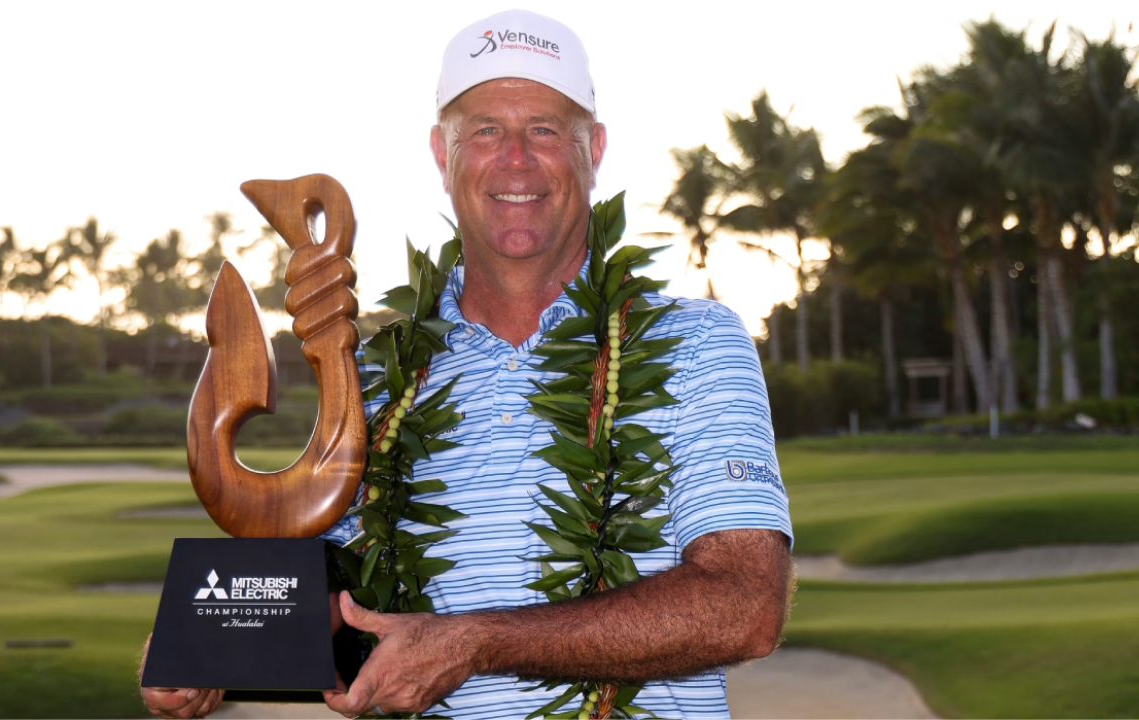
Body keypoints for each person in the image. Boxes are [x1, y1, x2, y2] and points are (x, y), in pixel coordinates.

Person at [142, 9, 792, 719]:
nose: (515, 159)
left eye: (545, 129)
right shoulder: (377, 382)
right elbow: (331, 605)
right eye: (483, 130)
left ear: (595, 148)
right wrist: (201, 648)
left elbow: (745, 605)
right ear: (439, 151)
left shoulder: (695, 344)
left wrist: (475, 642)